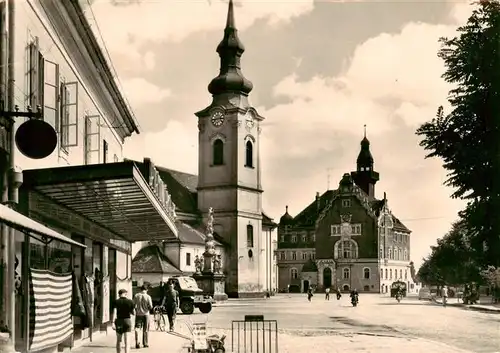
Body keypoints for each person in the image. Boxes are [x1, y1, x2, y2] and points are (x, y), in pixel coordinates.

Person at [111, 289, 135, 353]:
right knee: (127, 341)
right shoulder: (130, 302)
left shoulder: (116, 302)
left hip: (119, 322)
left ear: (119, 294)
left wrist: (113, 322)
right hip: (127, 321)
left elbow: (115, 312)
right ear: (125, 294)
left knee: (119, 340)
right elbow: (133, 313)